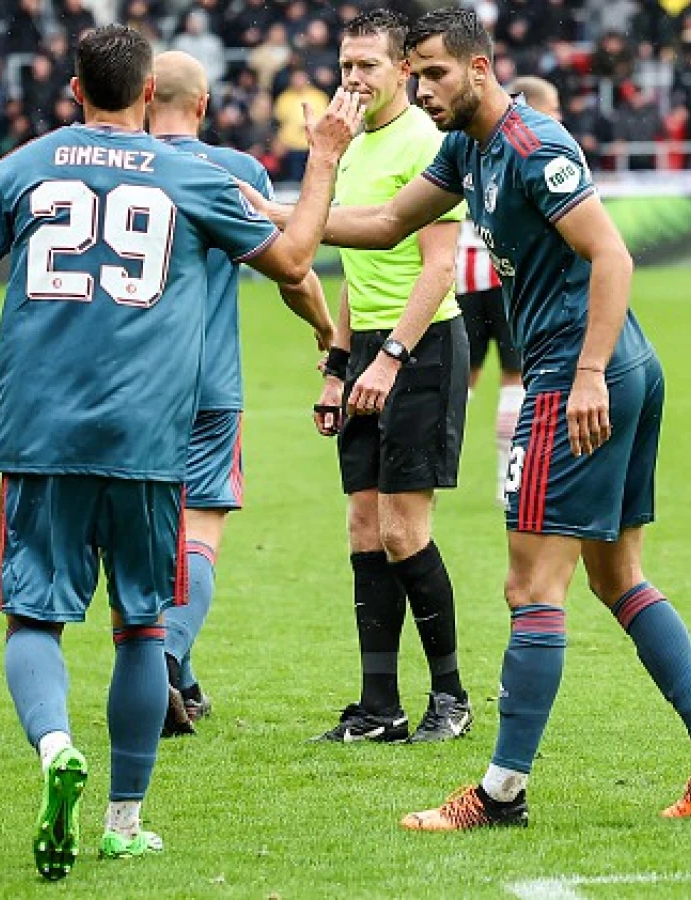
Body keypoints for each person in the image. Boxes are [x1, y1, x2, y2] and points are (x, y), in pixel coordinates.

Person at [244, 6, 691, 829]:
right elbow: (383, 226)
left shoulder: (531, 146)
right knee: (616, 578)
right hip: (616, 366)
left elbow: (611, 254)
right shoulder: (464, 145)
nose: (422, 88)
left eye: (436, 72)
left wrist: (585, 375)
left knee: (530, 587)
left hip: (578, 372)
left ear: (480, 68)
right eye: (417, 73)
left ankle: (501, 793)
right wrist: (278, 215)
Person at [0, 24, 357, 879]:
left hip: (38, 431)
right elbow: (293, 259)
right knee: (142, 625)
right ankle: (124, 818)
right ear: (150, 96)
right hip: (151, 435)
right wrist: (322, 154)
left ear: (73, 91)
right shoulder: (191, 172)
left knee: (34, 617)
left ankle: (56, 745)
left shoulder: (23, 166)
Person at [148, 50, 335, 736]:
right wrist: (324, 328)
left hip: (123, 388)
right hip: (207, 383)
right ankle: (164, 662)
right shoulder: (235, 171)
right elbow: (291, 270)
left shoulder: (111, 167)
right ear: (203, 106)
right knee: (199, 534)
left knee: (146, 540)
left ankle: (182, 680)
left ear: (141, 100)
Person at [310, 9, 473, 745]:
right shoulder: (346, 147)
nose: (353, 79)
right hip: (371, 350)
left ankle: (452, 699)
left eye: (367, 66)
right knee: (363, 528)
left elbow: (439, 268)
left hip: (425, 346)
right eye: (345, 66)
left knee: (405, 531)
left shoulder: (430, 144)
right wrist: (339, 363)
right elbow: (355, 269)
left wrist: (389, 357)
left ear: (403, 69)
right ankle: (380, 708)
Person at [456, 75, 558, 508]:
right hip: (506, 278)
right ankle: (505, 480)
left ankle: (432, 463)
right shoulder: (528, 146)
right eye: (553, 107)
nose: (558, 116)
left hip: (463, 276)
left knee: (464, 377)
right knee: (514, 377)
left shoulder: (474, 145)